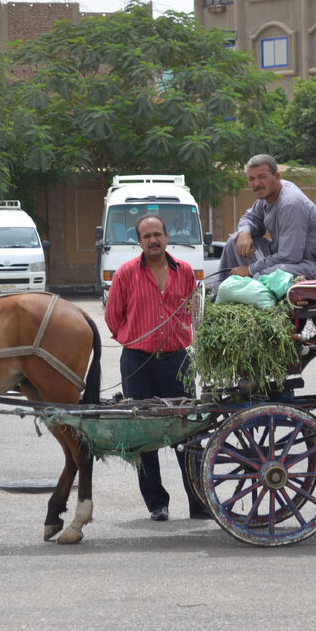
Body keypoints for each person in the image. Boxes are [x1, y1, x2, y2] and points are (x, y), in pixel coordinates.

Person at [104, 214, 209, 522]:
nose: (153, 240)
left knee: (188, 432)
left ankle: (199, 502)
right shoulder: (125, 273)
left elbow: (194, 312)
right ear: (139, 241)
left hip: (177, 362)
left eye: (157, 234)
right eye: (146, 236)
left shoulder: (185, 271)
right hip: (138, 363)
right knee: (144, 434)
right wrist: (136, 338)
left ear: (167, 237)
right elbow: (113, 318)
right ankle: (156, 503)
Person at [217, 154, 316, 284]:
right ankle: (219, 294)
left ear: (277, 177)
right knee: (235, 241)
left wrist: (250, 269)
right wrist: (244, 232)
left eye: (262, 177)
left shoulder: (291, 203)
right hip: (286, 258)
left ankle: (251, 295)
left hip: (313, 267)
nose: (256, 184)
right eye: (251, 179)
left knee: (266, 275)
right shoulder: (265, 199)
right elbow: (250, 217)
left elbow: (290, 256)